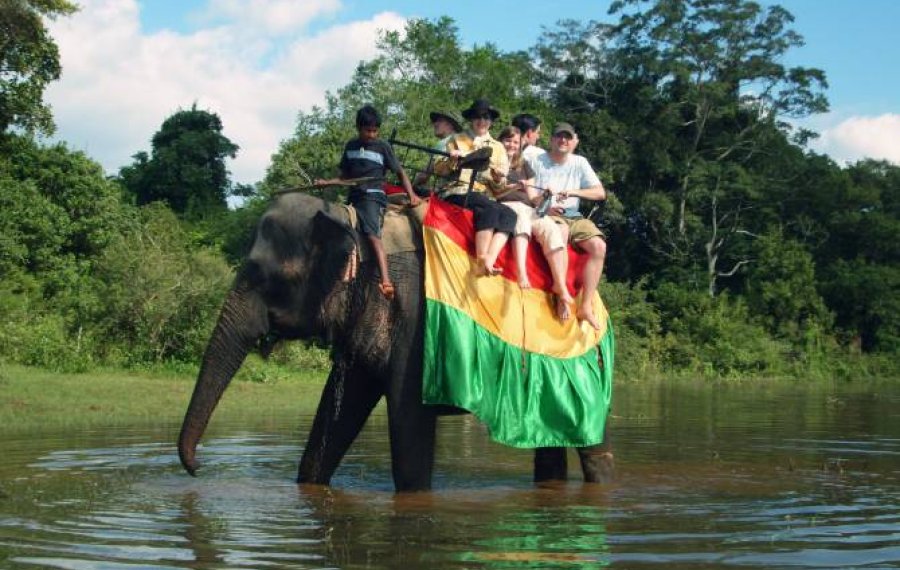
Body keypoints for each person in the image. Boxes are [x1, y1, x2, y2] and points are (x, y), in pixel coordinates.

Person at [316, 105, 420, 300]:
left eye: (375, 131)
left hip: (373, 196)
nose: (372, 135)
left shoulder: (383, 147)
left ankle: (385, 280)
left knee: (372, 234)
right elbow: (344, 177)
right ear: (358, 127)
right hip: (353, 196)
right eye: (368, 130)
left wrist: (411, 194)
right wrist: (327, 182)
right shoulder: (351, 146)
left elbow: (400, 172)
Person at [532, 122, 607, 329]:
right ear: (551, 139)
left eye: (567, 137)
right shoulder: (536, 159)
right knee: (561, 232)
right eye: (558, 136)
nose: (562, 141)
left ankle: (586, 306)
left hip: (574, 214)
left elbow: (600, 193)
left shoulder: (580, 162)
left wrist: (574, 192)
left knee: (599, 246)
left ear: (575, 141)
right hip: (549, 213)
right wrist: (543, 203)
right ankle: (561, 295)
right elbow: (526, 189)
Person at [495, 125, 574, 319]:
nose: (512, 145)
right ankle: (522, 273)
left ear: (521, 144)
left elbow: (533, 198)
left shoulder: (524, 165)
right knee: (521, 217)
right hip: (507, 204)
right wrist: (513, 186)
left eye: (515, 142)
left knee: (551, 228)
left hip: (527, 207)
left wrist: (545, 196)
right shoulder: (496, 162)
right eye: (508, 140)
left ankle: (560, 285)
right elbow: (494, 191)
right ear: (501, 141)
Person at [433, 99, 516, 276]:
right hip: (457, 189)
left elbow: (498, 187)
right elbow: (438, 169)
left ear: (491, 121)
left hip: (484, 194)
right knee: (490, 208)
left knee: (510, 214)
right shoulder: (455, 140)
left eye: (486, 117)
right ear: (471, 119)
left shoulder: (498, 147)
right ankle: (481, 258)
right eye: (478, 117)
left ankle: (490, 259)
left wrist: (498, 178)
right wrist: (451, 160)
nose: (482, 121)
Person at [414, 109, 463, 187]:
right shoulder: (462, 142)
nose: (435, 124)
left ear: (450, 125)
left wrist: (410, 185)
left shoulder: (446, 142)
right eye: (435, 121)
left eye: (440, 121)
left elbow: (424, 175)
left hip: (448, 190)